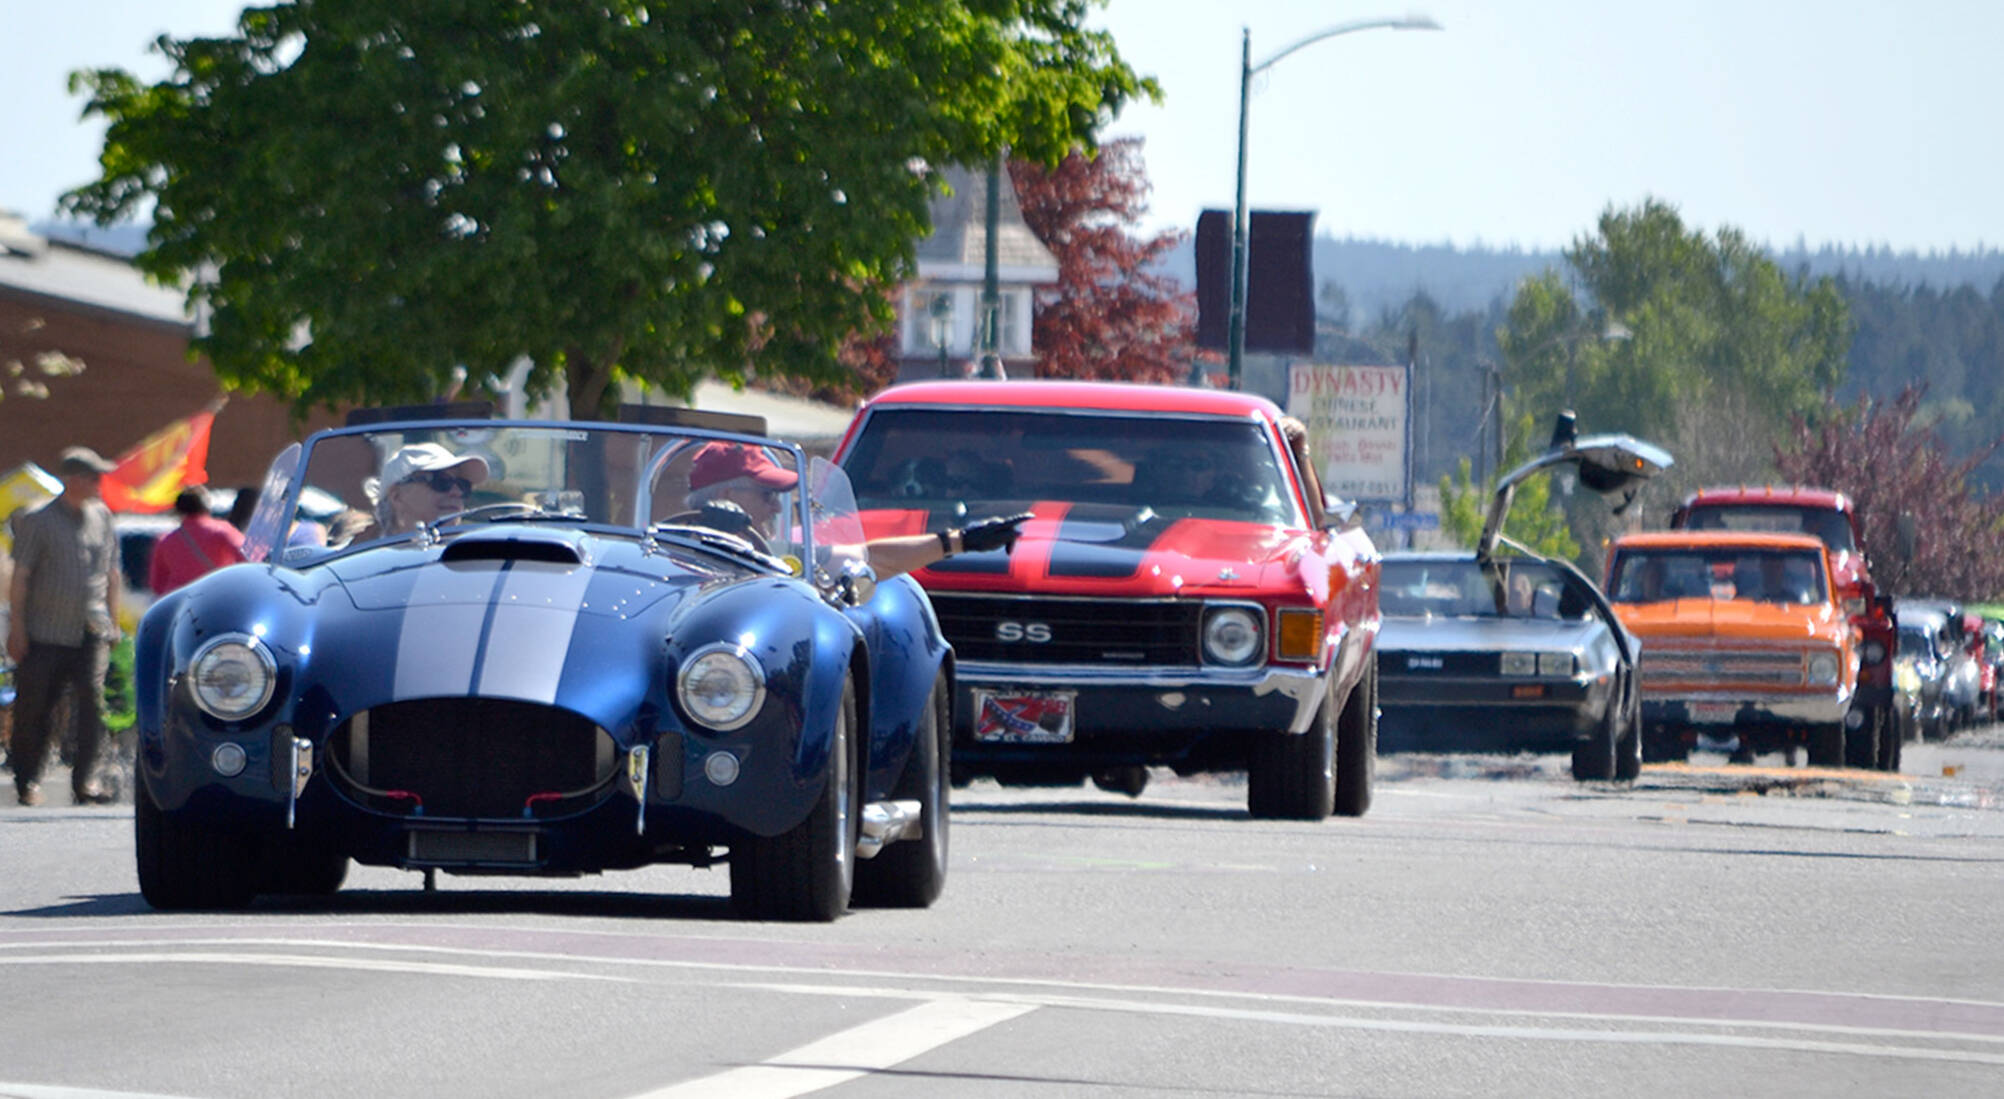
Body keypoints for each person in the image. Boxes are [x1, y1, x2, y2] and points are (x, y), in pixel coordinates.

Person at [681, 442, 1029, 579]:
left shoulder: (775, 555)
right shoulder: (666, 553)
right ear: (727, 495)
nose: (776, 507)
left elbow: (866, 559)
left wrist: (963, 540)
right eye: (767, 494)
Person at [5, 446, 122, 806]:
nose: (100, 483)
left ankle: (84, 780)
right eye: (93, 477)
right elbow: (21, 577)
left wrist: (114, 623)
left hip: (90, 629)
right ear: (73, 480)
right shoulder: (38, 521)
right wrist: (18, 628)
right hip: (44, 633)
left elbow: (111, 574)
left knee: (93, 703)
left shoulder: (102, 517)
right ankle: (28, 780)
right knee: (35, 708)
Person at [366, 443, 491, 537]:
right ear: (397, 496)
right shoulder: (367, 568)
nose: (457, 492)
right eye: (442, 481)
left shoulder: (478, 563)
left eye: (463, 485)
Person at [149, 486, 247, 595]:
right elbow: (247, 558)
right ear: (206, 506)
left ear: (178, 511)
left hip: (180, 600)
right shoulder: (222, 531)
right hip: (216, 595)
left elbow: (157, 585)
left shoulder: (165, 541)